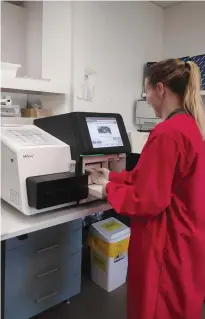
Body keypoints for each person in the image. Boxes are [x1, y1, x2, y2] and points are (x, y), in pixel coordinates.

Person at [89, 59, 205, 319]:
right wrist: (114, 177)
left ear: (161, 89)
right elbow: (150, 178)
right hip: (186, 239)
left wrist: (108, 189)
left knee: (156, 308)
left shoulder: (167, 133)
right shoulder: (188, 126)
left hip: (165, 241)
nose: (147, 98)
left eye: (148, 91)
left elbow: (149, 198)